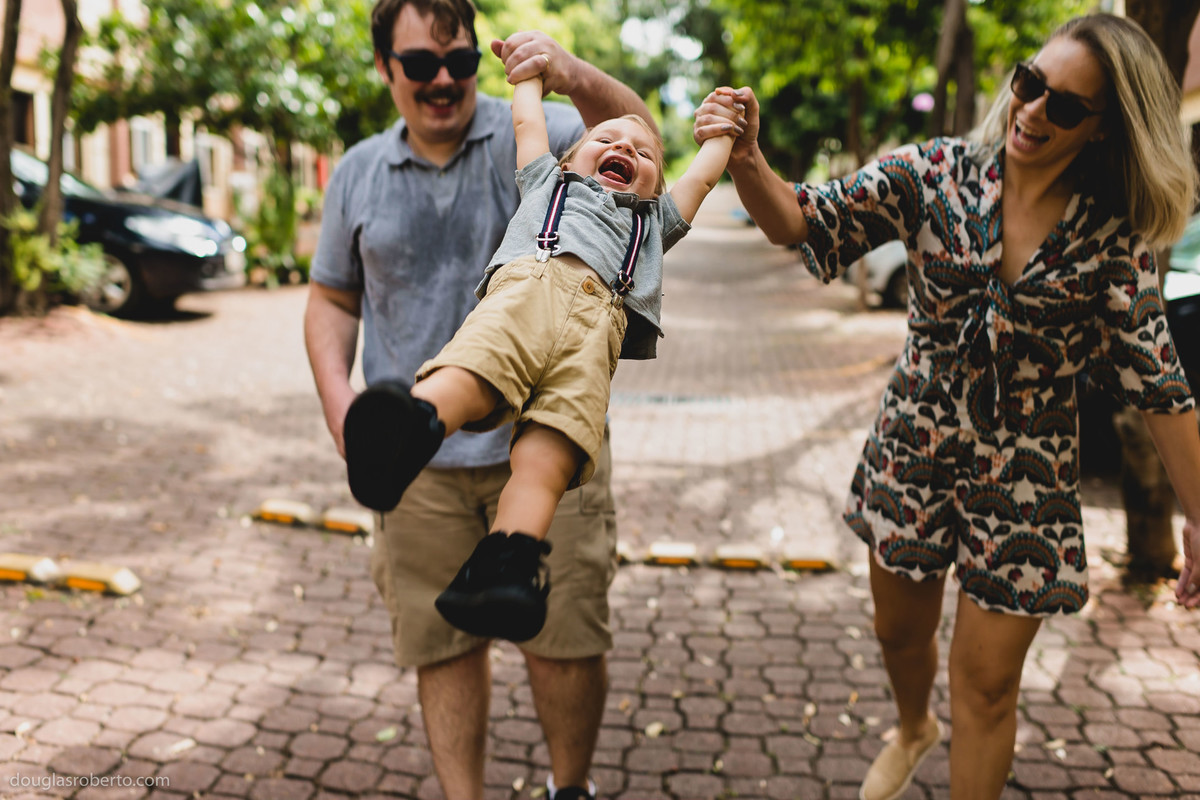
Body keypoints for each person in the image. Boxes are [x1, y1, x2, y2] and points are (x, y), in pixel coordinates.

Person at [694, 13, 1200, 800]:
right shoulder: (934, 172)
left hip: (1028, 477)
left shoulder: (1110, 236)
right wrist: (749, 157)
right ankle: (912, 727)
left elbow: (1160, 385)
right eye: (1030, 83)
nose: (1033, 110)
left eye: (1066, 106)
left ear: (1104, 127)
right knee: (899, 633)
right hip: (913, 447)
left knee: (988, 689)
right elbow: (803, 221)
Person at [303, 1, 657, 797]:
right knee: (442, 648)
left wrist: (569, 72)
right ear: (385, 68)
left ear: (477, 59)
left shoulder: (546, 132)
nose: (442, 81)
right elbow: (331, 298)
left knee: (565, 642)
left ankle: (570, 790)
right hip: (417, 468)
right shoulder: (357, 171)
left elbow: (642, 136)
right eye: (419, 64)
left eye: (459, 62)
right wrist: (339, 404)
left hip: (545, 447)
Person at [342, 75, 736, 644]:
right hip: (528, 295)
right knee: (477, 371)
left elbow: (701, 177)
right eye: (607, 139)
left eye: (645, 153)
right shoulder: (547, 181)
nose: (625, 148)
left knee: (548, 457)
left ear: (655, 188)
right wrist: (529, 77)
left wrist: (724, 131)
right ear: (569, 157)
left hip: (592, 345)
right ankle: (405, 431)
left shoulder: (653, 225)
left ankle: (505, 565)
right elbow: (527, 122)